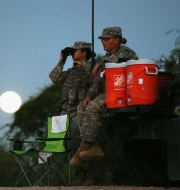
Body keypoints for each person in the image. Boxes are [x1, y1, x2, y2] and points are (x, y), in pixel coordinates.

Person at [70, 27, 139, 169]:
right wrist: (89, 95)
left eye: (107, 39)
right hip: (107, 92)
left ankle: (83, 147)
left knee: (93, 107)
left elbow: (117, 67)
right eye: (102, 39)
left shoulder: (125, 52)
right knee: (82, 107)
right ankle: (93, 145)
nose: (103, 42)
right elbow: (97, 82)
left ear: (117, 39)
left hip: (122, 92)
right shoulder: (106, 57)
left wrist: (101, 64)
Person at [49, 41, 95, 185]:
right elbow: (53, 78)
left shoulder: (92, 68)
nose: (73, 53)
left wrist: (83, 68)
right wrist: (62, 61)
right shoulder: (69, 72)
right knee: (59, 144)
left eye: (76, 51)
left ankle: (85, 175)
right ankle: (73, 175)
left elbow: (95, 81)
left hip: (78, 112)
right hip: (63, 112)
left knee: (78, 143)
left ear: (84, 53)